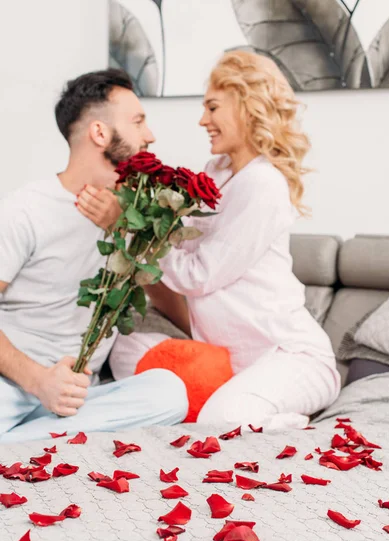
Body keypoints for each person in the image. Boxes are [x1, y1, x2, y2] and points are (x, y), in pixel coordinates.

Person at [108, 51, 341, 427]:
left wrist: (139, 232)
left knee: (220, 419)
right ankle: (248, 404)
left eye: (213, 108)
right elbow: (180, 244)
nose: (203, 120)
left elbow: (197, 275)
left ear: (247, 108)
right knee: (125, 348)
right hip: (230, 361)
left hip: (292, 357)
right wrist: (140, 211)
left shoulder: (263, 183)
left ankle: (293, 424)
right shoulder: (217, 171)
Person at [0, 68, 188, 444]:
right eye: (138, 122)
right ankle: (27, 435)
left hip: (78, 396)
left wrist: (125, 232)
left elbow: (174, 305)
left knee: (170, 392)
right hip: (13, 385)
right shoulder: (25, 209)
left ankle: (18, 440)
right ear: (100, 133)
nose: (149, 136)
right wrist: (39, 381)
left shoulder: (135, 216)